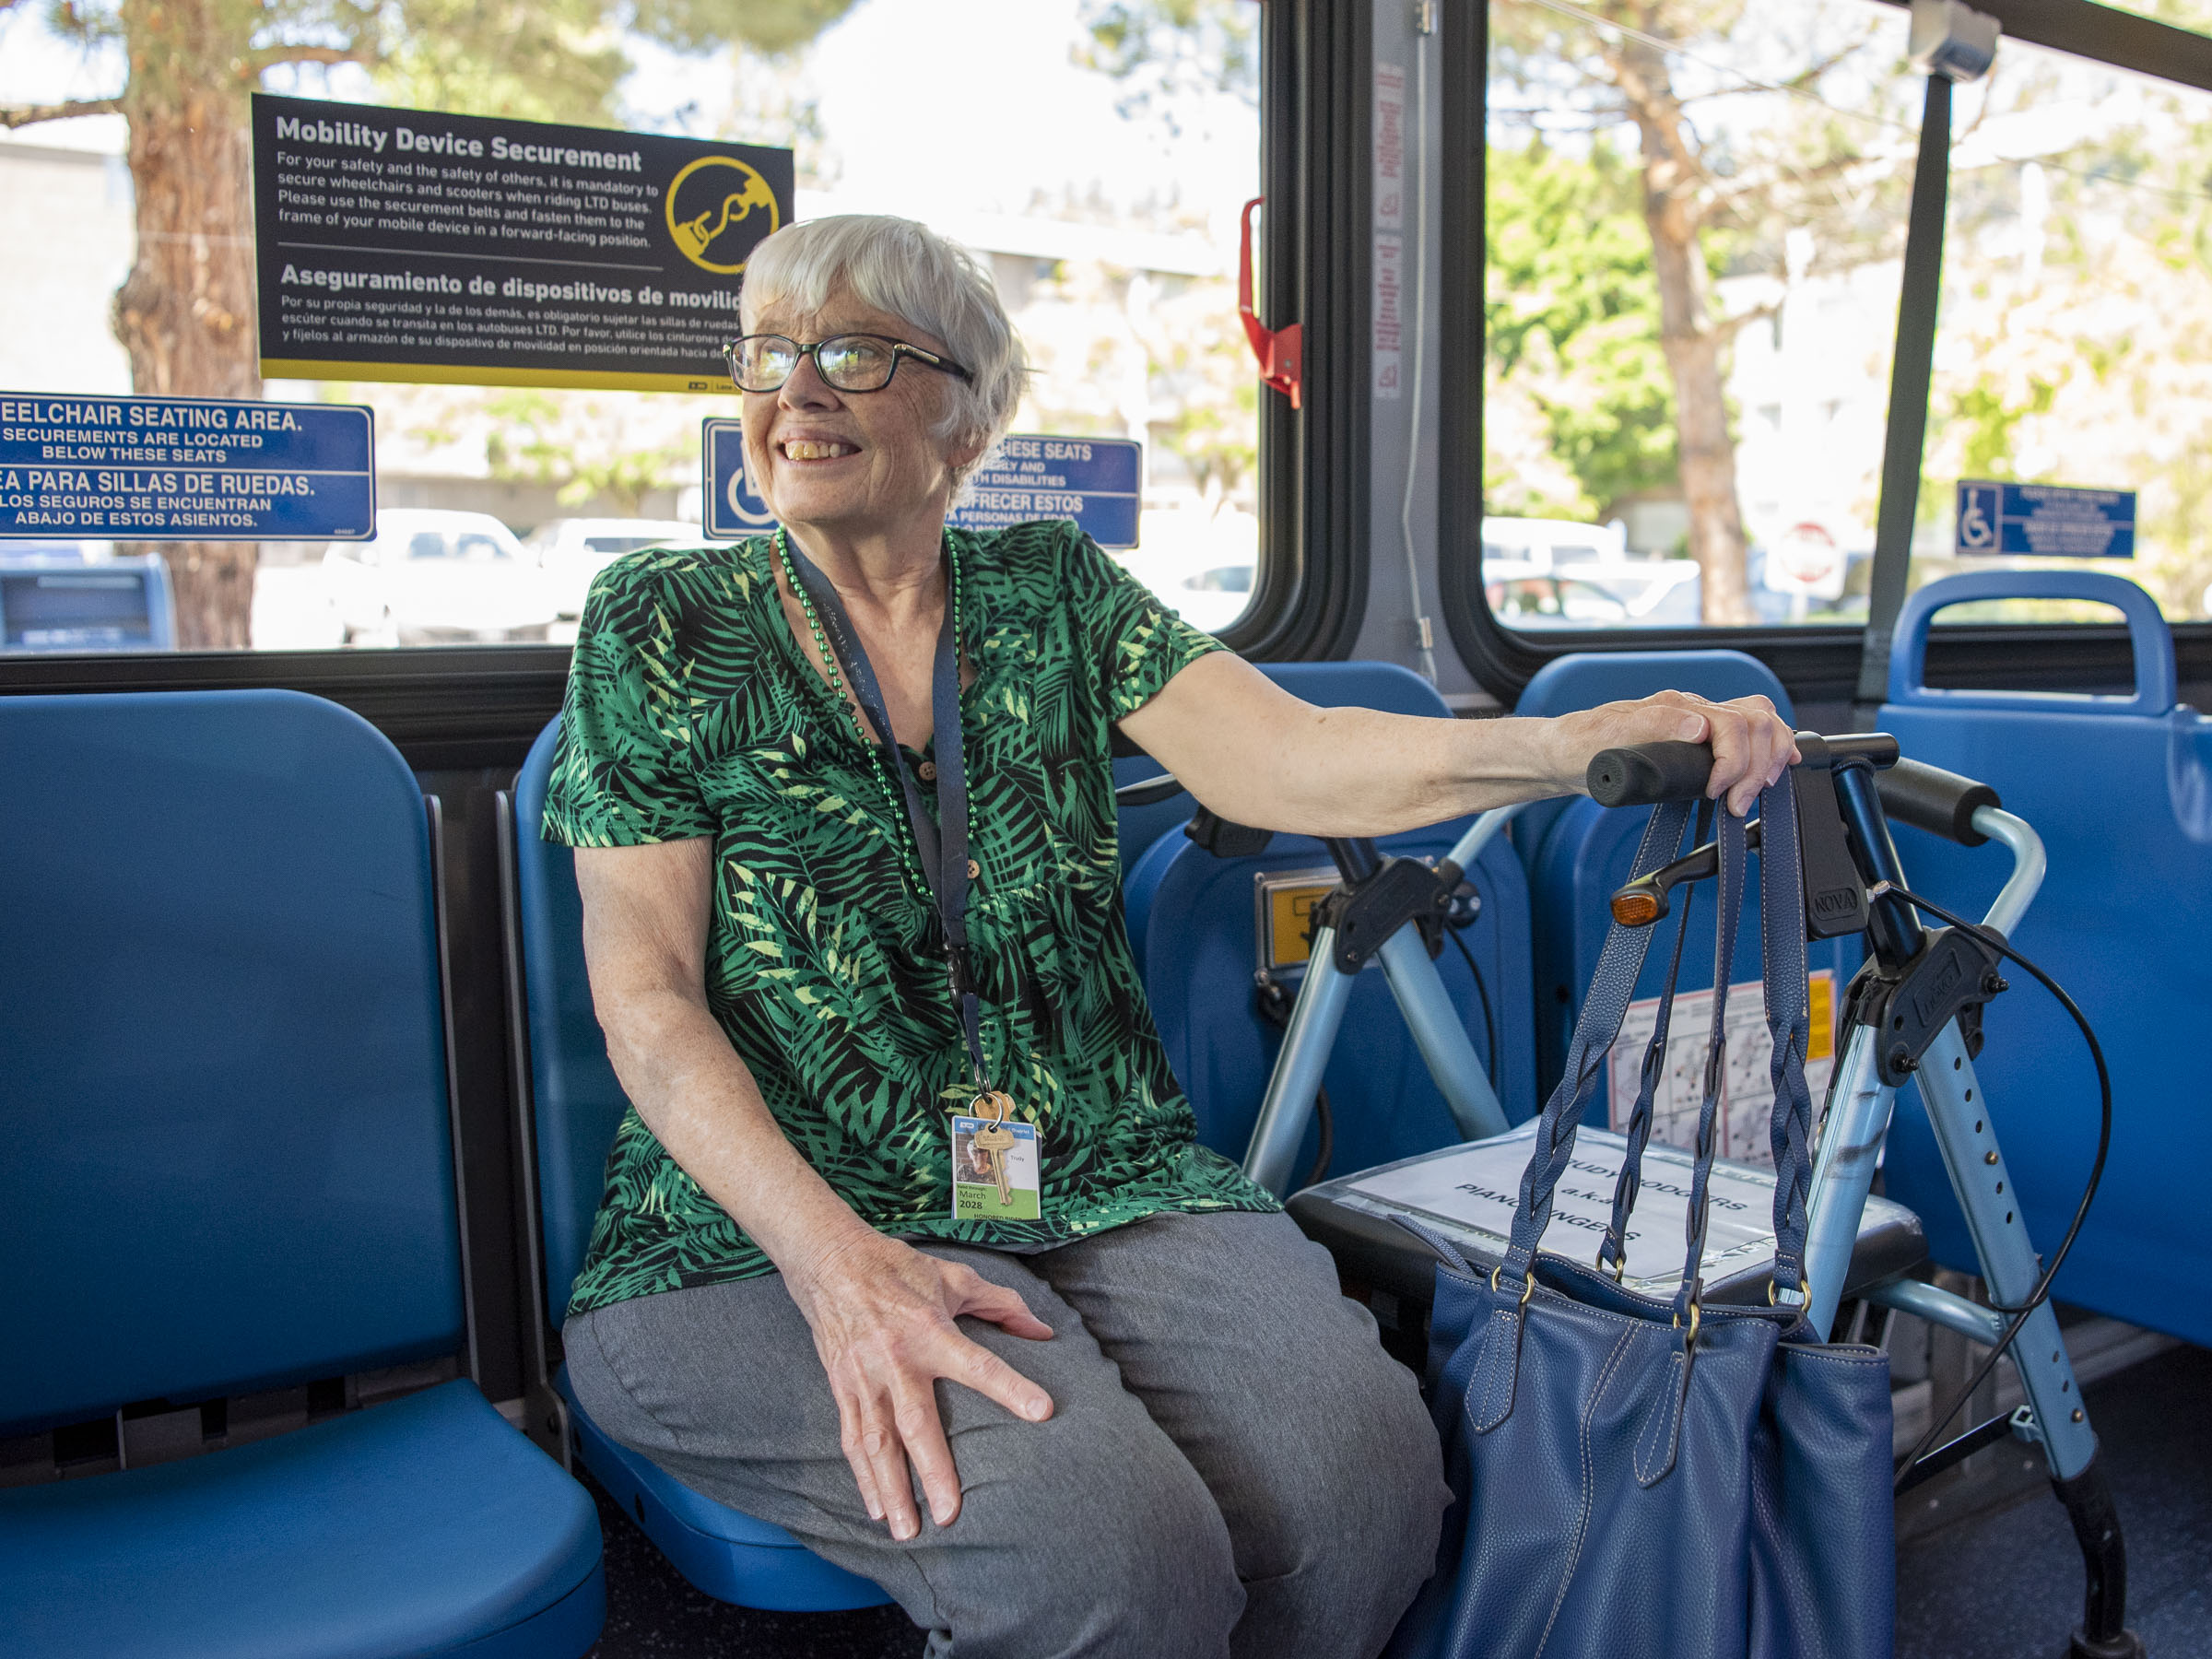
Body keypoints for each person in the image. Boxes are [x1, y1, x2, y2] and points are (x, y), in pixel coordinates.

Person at [548, 213, 1798, 1659]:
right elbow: (642, 993)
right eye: (769, 353)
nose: (796, 392)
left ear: (963, 418)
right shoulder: (662, 620)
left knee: (1369, 1492)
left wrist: (1575, 744)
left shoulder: (1054, 595)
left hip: (1088, 1165)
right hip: (757, 1228)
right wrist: (841, 1268)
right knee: (1109, 1557)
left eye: (850, 351)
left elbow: (1296, 757)